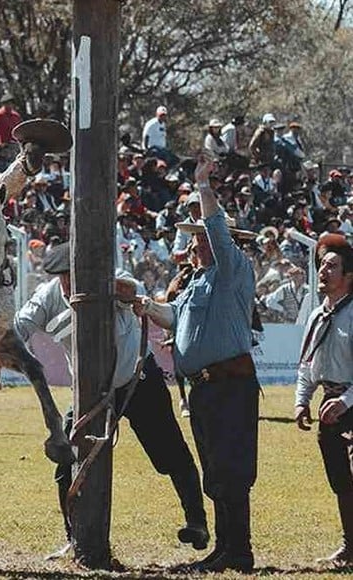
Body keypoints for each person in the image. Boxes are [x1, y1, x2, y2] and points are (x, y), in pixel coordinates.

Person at [17, 243, 208, 559]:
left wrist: (104, 285)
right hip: (90, 391)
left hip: (138, 379)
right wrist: (1, 353)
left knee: (171, 452)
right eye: (64, 276)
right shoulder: (48, 295)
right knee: (67, 460)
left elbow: (133, 289)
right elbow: (22, 325)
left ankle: (196, 522)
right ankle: (73, 536)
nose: (69, 283)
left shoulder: (110, 277)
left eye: (74, 274)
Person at [137, 153, 260, 573]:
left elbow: (219, 231)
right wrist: (146, 307)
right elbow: (175, 316)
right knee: (216, 470)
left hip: (229, 386)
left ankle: (238, 550)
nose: (192, 245)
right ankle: (226, 548)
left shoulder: (232, 269)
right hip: (206, 388)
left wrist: (203, 186)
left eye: (199, 238)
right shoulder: (198, 281)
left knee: (230, 469)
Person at [294, 234, 353, 567]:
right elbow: (306, 364)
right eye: (322, 265)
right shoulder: (317, 316)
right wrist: (302, 400)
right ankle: (350, 546)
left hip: (349, 402)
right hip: (330, 406)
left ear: (349, 276)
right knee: (340, 480)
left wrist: (346, 400)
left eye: (332, 266)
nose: (323, 271)